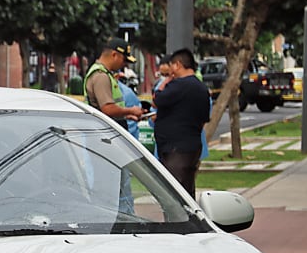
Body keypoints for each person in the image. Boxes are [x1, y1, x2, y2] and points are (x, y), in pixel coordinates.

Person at [152, 48, 212, 195]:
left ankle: (177, 219)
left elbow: (156, 100)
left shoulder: (177, 85)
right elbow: (203, 119)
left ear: (178, 65)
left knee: (174, 195)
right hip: (192, 148)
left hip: (174, 150)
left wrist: (166, 81)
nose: (171, 71)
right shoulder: (202, 89)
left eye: (171, 66)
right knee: (188, 192)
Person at [84, 39, 144, 123]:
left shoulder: (105, 74)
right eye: (124, 60)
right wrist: (130, 110)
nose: (125, 64)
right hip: (104, 131)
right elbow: (107, 108)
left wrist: (124, 116)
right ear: (114, 55)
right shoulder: (101, 76)